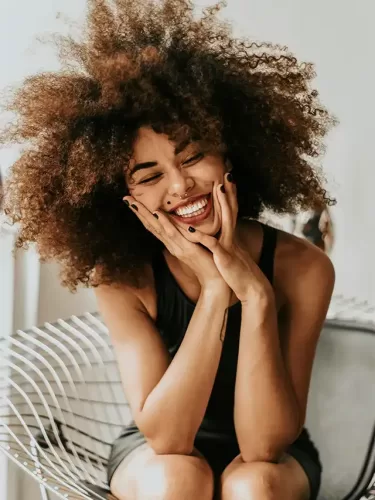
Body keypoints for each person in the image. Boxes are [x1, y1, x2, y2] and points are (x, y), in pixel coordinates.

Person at [0, 0, 338, 498]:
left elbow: (264, 445)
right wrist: (215, 292)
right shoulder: (121, 278)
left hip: (276, 459)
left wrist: (258, 296)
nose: (181, 187)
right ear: (124, 197)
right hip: (156, 454)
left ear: (230, 152)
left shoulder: (305, 267)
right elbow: (168, 437)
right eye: (150, 175)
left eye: (193, 156)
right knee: (179, 476)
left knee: (256, 484)